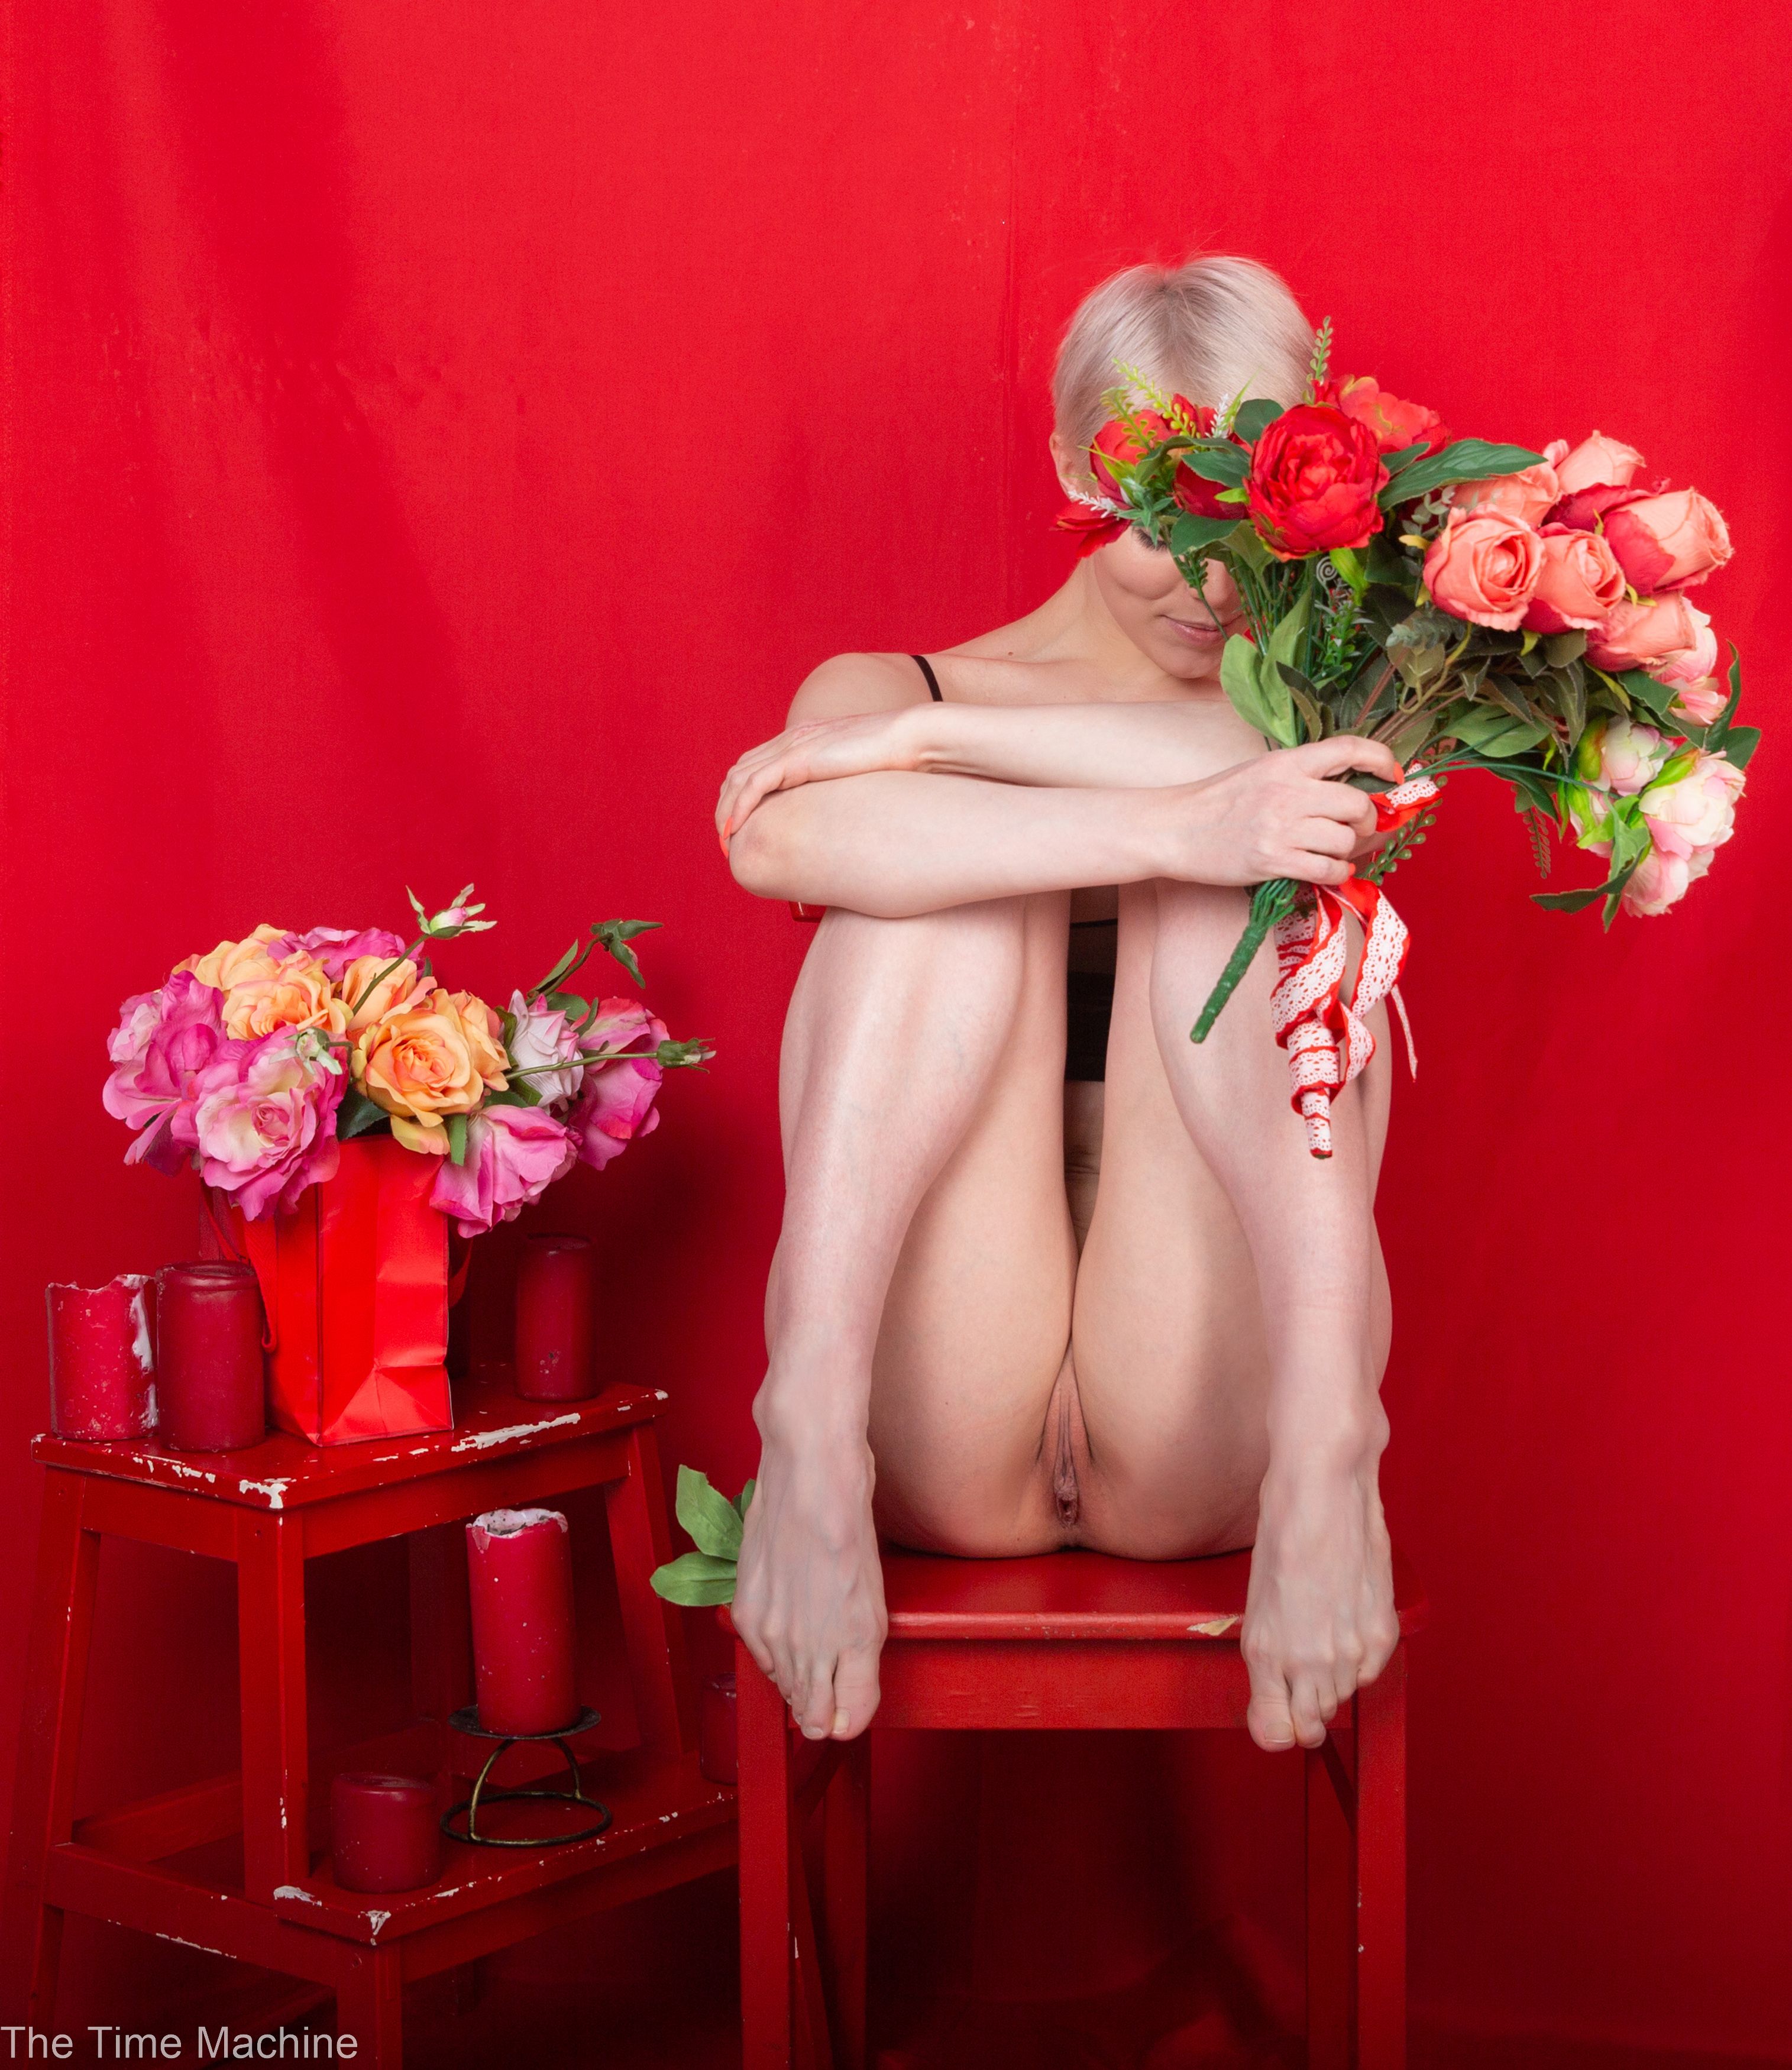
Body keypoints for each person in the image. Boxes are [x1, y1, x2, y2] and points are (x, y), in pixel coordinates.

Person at [718, 255, 1405, 1757]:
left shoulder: (1330, 709)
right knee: (943, 887)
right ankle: (807, 1426)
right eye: (1161, 524)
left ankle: (1333, 1449)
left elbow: (1275, 798)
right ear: (1070, 470)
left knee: (1253, 862)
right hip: (944, 1390)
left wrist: (937, 750)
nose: (1210, 586)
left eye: (1246, 526)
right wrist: (1156, 815)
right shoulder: (897, 685)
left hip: (1215, 1397)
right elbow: (774, 839)